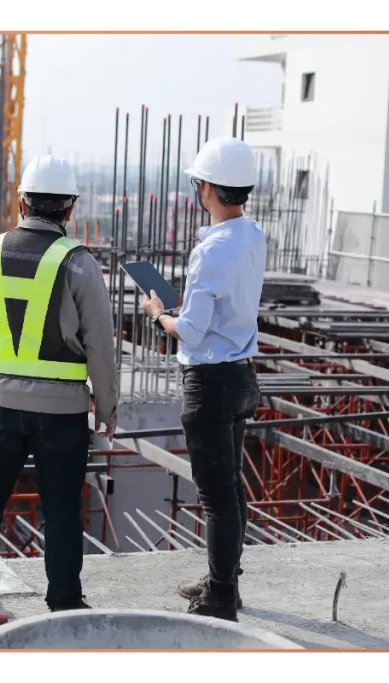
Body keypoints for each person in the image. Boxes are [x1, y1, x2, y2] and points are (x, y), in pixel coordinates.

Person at [0, 155, 118, 613]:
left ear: (22, 202)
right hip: (63, 411)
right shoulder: (79, 263)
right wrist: (107, 411)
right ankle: (64, 600)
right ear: (69, 209)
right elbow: (101, 349)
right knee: (63, 506)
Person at [139, 137, 265, 622]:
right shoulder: (253, 235)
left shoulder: (210, 250)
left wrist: (158, 313)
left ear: (206, 187)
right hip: (241, 375)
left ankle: (220, 597)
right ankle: (222, 583)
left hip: (209, 381)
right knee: (231, 489)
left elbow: (189, 330)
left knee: (217, 496)